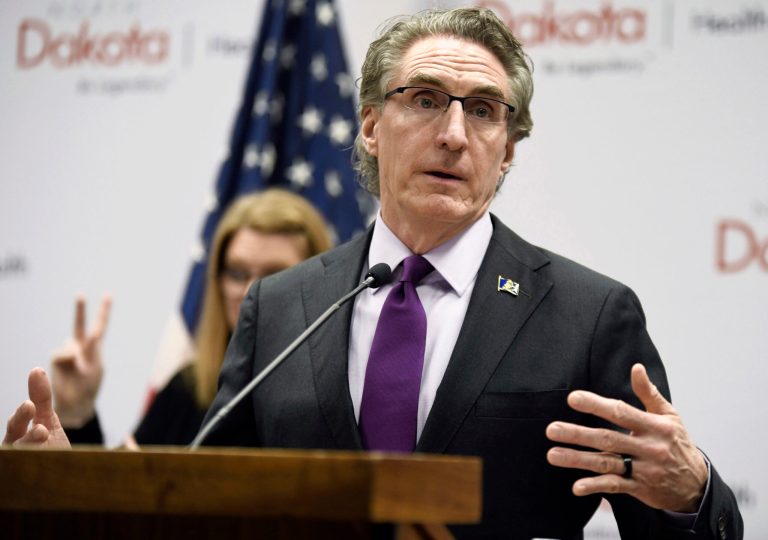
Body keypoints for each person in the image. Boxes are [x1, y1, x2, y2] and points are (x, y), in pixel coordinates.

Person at [4, 8, 742, 539]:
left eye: (485, 112)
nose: (454, 134)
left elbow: (671, 527)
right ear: (368, 124)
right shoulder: (284, 304)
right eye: (424, 100)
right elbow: (210, 505)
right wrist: (72, 488)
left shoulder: (588, 313)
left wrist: (692, 492)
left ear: (508, 150)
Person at [44, 189, 333, 447]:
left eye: (274, 275)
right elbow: (113, 496)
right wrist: (77, 415)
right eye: (236, 273)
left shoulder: (345, 394)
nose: (250, 293)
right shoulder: (188, 388)